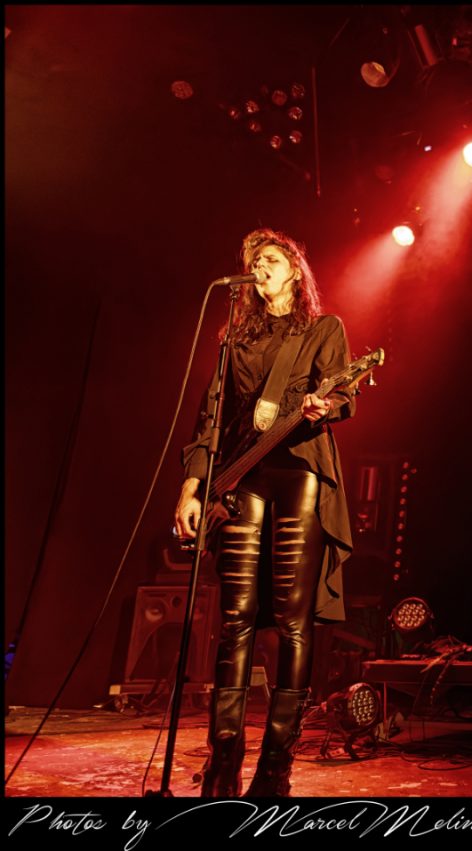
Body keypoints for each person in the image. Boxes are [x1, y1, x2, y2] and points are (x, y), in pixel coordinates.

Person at [174, 228, 356, 797]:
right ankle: (223, 758)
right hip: (241, 475)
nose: (261, 267)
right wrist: (191, 487)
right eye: (255, 260)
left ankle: (276, 765)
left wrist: (325, 404)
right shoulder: (235, 338)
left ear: (295, 271)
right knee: (235, 616)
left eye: (272, 259)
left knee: (293, 618)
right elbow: (210, 417)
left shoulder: (323, 329)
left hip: (299, 468)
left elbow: (343, 395)